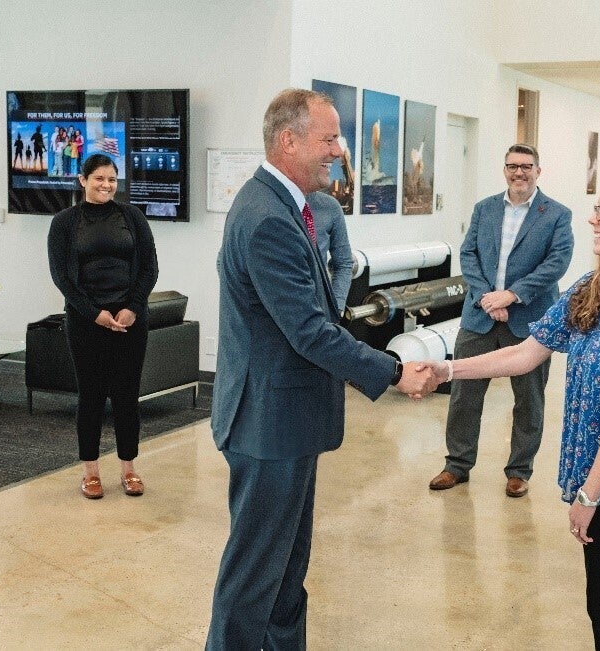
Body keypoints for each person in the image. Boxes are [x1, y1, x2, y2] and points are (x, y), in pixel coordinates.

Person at [424, 173, 600, 649]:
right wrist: (447, 370)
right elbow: (527, 352)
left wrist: (589, 497)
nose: (593, 219)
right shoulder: (593, 288)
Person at [208, 88, 440, 649]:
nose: (340, 150)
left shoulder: (289, 207)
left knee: (287, 573)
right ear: (289, 140)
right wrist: (392, 369)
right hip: (267, 425)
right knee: (255, 578)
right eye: (331, 137)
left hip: (285, 421)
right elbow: (309, 330)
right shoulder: (267, 217)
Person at [429, 144, 573, 497]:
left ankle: (519, 470)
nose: (518, 172)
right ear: (504, 169)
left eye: (526, 166)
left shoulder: (556, 214)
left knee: (528, 399)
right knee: (464, 394)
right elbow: (469, 254)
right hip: (479, 317)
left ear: (539, 170)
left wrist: (512, 295)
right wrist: (486, 297)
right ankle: (457, 466)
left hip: (529, 322)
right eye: (512, 166)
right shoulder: (485, 208)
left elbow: (556, 263)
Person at [47, 153, 159, 499]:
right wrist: (94, 313)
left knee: (127, 396)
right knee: (91, 395)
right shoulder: (65, 222)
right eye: (99, 179)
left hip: (130, 321)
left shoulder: (132, 217)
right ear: (82, 181)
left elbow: (149, 268)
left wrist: (133, 308)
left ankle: (129, 468)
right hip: (85, 321)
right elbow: (61, 276)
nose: (106, 185)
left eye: (111, 179)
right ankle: (91, 472)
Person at [309, 189, 354, 313]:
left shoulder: (329, 206)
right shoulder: (268, 201)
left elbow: (344, 263)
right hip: (275, 311)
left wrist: (337, 307)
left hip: (318, 307)